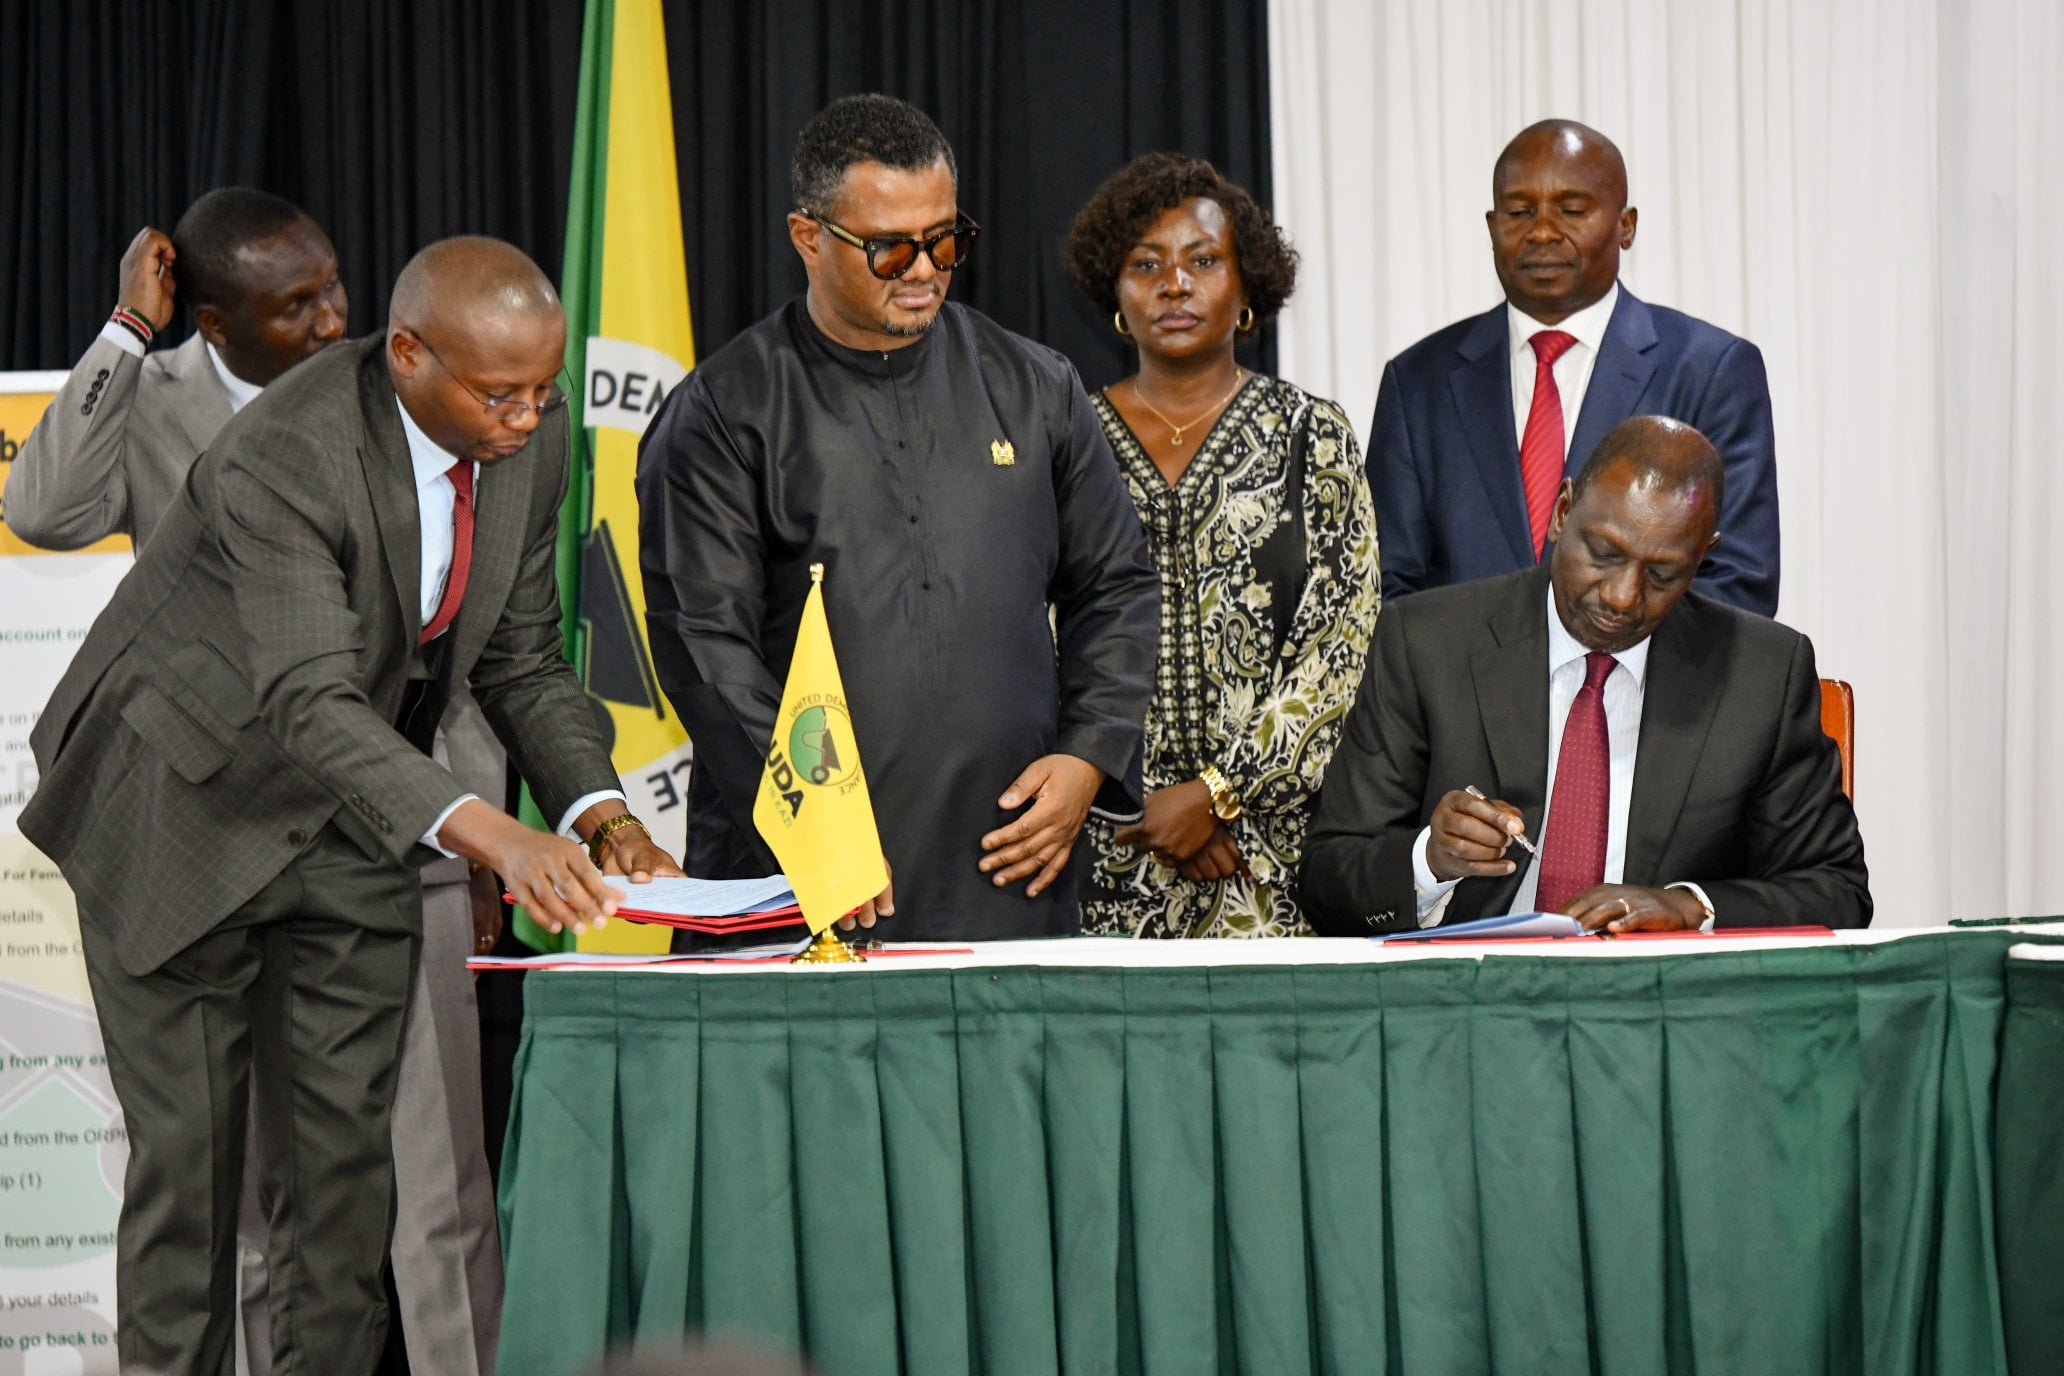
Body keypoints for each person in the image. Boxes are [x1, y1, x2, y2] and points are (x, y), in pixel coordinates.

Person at [19, 236, 683, 1376]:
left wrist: (594, 809)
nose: (527, 418)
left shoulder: (530, 435)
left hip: (349, 818)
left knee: (343, 1182)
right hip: (178, 805)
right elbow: (308, 701)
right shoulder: (287, 452)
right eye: (498, 395)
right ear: (409, 354)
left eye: (544, 389)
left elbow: (521, 658)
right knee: (196, 1177)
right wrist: (499, 834)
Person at [637, 94, 1157, 939]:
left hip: (1011, 865)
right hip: (799, 880)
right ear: (809, 238)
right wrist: (820, 836)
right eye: (889, 249)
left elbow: (1117, 585)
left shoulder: (1036, 387)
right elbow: (704, 645)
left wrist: (1089, 755)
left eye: (946, 239)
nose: (925, 269)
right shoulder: (725, 410)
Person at [1302, 415, 1868, 935]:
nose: (1623, 597)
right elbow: (1327, 880)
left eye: (1664, 574)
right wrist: (1429, 861)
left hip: (1660, 1011)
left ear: (1705, 555)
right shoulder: (1426, 643)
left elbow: (1837, 890)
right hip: (1470, 1004)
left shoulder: (1762, 673)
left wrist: (1691, 907)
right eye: (1604, 554)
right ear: (1562, 511)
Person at [1059, 153, 1380, 937]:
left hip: (1271, 856)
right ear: (1115, 293)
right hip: (1102, 848)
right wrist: (1141, 802)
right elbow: (1032, 636)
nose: (1174, 285)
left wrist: (1216, 794)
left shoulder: (1314, 435)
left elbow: (1341, 643)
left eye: (1202, 261)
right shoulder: (1062, 438)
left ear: (1246, 289)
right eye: (1146, 265)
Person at [1366, 120, 1781, 616]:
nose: (1541, 231)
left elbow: (1738, 583)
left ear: (1625, 225)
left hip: (1641, 689)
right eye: (1519, 211)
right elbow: (1387, 586)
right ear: (1492, 226)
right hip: (1460, 690)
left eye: (1572, 210)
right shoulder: (1417, 382)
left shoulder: (1711, 371)